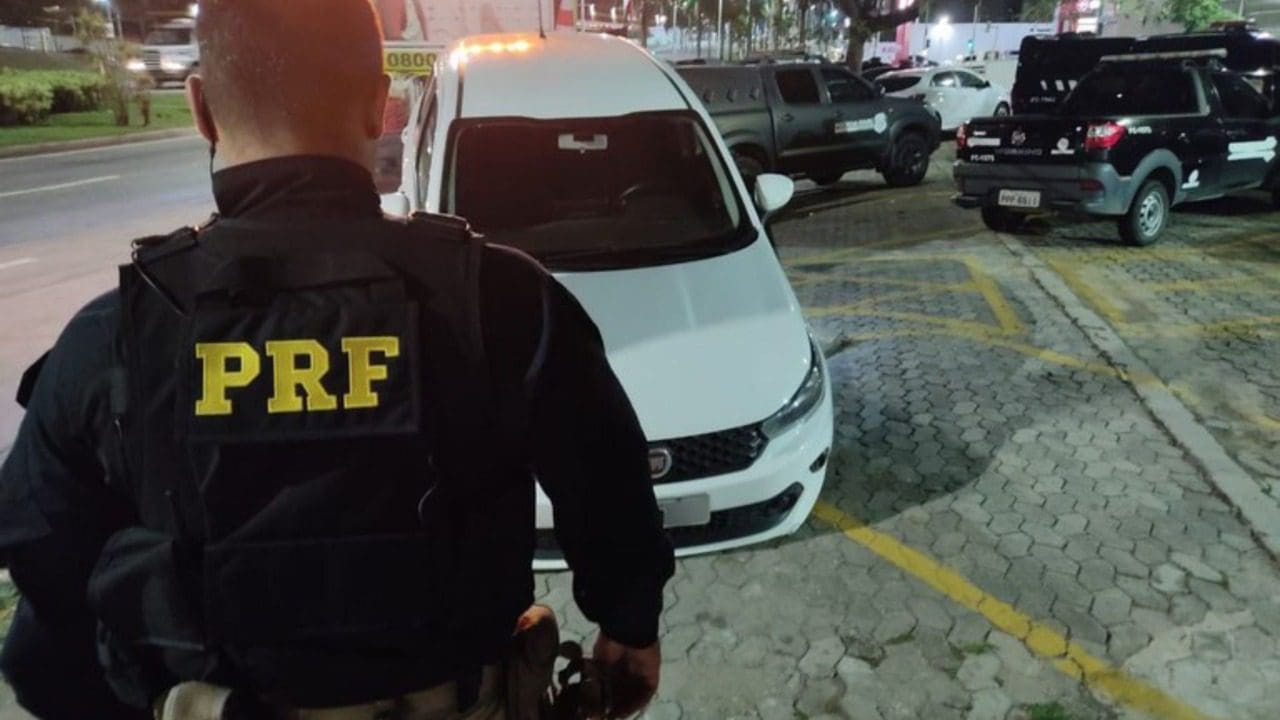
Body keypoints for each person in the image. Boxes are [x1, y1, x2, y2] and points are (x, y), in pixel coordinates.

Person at [0, 1, 674, 718]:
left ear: (201, 108)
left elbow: (44, 594)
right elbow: (606, 483)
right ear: (380, 105)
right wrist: (629, 622)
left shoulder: (115, 338)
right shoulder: (502, 298)